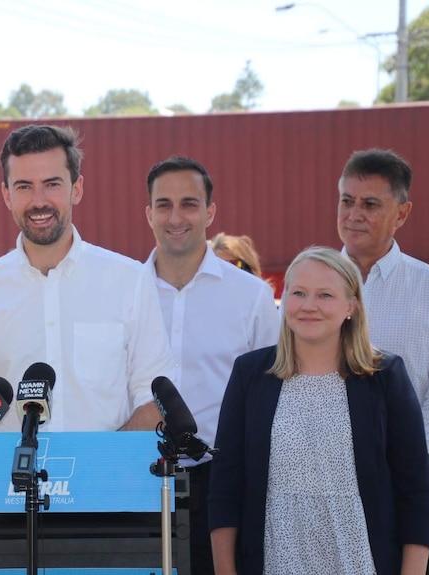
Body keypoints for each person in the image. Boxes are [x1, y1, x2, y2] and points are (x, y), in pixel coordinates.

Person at [209, 246, 429, 575]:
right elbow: (225, 488)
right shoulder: (250, 375)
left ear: (351, 307)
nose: (308, 306)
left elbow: (414, 493)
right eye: (298, 292)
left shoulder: (385, 377)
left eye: (325, 295)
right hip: (276, 563)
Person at [0, 124, 174, 432]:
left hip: (106, 479)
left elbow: (155, 398)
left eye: (52, 184)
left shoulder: (130, 281)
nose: (39, 201)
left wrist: (102, 468)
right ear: (6, 195)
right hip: (6, 480)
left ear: (76, 189)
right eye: (24, 186)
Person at [337, 149, 429, 575]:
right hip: (326, 475)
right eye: (346, 200)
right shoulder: (311, 284)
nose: (354, 214)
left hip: (411, 477)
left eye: (370, 204)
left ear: (402, 213)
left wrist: (388, 456)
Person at [143, 157, 280, 575]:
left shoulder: (251, 297)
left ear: (209, 212)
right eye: (163, 205)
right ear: (148, 213)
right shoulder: (120, 293)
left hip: (222, 483)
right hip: (138, 480)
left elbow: (273, 395)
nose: (176, 217)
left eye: (189, 203)